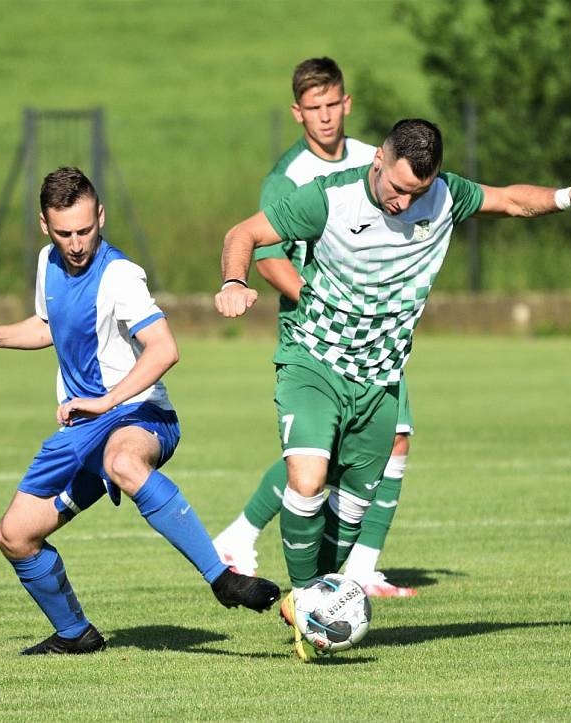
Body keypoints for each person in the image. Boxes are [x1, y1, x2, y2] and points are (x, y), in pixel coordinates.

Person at [214, 119, 571, 660]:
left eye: (416, 192)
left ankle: (311, 597)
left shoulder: (444, 196)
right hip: (315, 362)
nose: (404, 201)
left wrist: (569, 195)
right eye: (397, 187)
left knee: (350, 515)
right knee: (306, 480)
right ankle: (306, 601)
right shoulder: (331, 198)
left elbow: (513, 201)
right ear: (379, 159)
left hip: (381, 382)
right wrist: (234, 281)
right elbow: (244, 235)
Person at [0, 166, 279, 656]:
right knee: (15, 535)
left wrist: (105, 400)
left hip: (139, 416)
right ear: (44, 226)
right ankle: (76, 634)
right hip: (81, 432)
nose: (76, 244)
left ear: (101, 215)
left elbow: (164, 349)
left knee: (123, 462)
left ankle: (222, 579)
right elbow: (47, 326)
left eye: (85, 230)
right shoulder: (47, 263)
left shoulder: (120, 275)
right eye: (64, 233)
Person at [213, 57, 416, 598]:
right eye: (313, 108)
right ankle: (270, 543)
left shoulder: (378, 161)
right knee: (318, 456)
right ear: (297, 113)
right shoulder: (286, 177)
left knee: (391, 439)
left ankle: (353, 565)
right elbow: (268, 256)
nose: (325, 117)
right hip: (311, 328)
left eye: (333, 105)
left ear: (346, 103)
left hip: (376, 333)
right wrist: (328, 302)